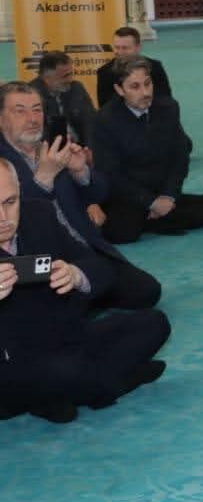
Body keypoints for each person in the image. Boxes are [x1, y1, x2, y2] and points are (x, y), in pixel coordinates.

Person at [0, 160, 170, 424]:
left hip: (67, 337)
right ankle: (116, 383)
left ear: (20, 193)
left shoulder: (39, 213)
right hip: (12, 360)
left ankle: (56, 397)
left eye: (10, 202)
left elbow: (100, 267)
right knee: (63, 372)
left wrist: (76, 275)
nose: (3, 217)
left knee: (155, 324)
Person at [0, 81, 162, 311]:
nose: (32, 118)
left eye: (37, 109)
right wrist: (44, 178)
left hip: (82, 245)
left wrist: (81, 171)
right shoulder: (2, 164)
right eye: (20, 111)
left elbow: (100, 193)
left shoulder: (53, 146)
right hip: (38, 256)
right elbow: (15, 217)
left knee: (146, 291)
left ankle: (81, 300)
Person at [89, 58, 203, 244]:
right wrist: (150, 202)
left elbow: (180, 157)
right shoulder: (104, 120)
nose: (145, 92)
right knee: (121, 232)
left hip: (162, 192)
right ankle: (156, 218)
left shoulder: (168, 108)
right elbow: (110, 173)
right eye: (135, 87)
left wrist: (168, 195)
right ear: (120, 90)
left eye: (147, 84)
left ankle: (155, 218)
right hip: (128, 196)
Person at [30, 50, 97, 147]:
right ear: (46, 78)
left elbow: (91, 122)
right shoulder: (31, 95)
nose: (70, 79)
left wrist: (90, 149)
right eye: (65, 76)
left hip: (81, 149)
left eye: (71, 73)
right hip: (50, 152)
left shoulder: (76, 88)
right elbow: (39, 135)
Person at [94, 27, 171, 109]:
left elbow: (166, 100)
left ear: (138, 47)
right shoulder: (104, 72)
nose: (119, 52)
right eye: (117, 47)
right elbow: (104, 108)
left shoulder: (155, 67)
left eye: (125, 48)